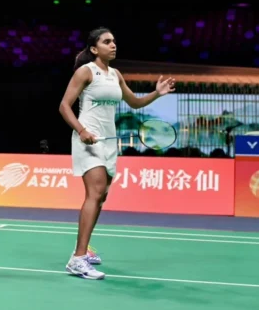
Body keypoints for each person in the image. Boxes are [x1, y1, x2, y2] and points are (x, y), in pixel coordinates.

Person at [58, 27, 174, 280]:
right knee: (95, 192)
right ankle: (77, 259)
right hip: (88, 139)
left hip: (109, 142)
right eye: (107, 42)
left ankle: (84, 249)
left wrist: (157, 93)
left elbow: (134, 102)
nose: (113, 45)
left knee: (101, 198)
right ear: (94, 49)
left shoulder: (115, 75)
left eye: (114, 41)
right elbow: (64, 106)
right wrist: (81, 130)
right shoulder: (86, 71)